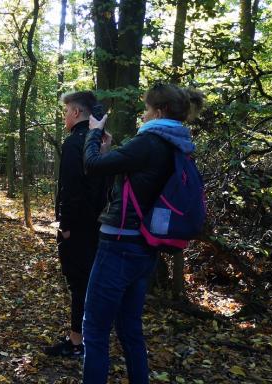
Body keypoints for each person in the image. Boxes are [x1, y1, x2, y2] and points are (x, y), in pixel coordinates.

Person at [80, 83, 203, 383]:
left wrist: (94, 132)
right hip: (146, 246)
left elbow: (92, 164)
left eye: (147, 110)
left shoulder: (148, 141)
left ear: (159, 111)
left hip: (118, 243)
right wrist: (112, 152)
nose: (144, 116)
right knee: (130, 327)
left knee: (94, 329)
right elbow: (135, 176)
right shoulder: (178, 145)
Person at [44, 91, 110, 358]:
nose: (64, 116)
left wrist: (66, 225)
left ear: (76, 113)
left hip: (80, 227)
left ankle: (76, 341)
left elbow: (71, 189)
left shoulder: (74, 143)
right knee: (89, 282)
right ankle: (86, 336)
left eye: (66, 111)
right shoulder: (100, 143)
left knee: (79, 283)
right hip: (98, 224)